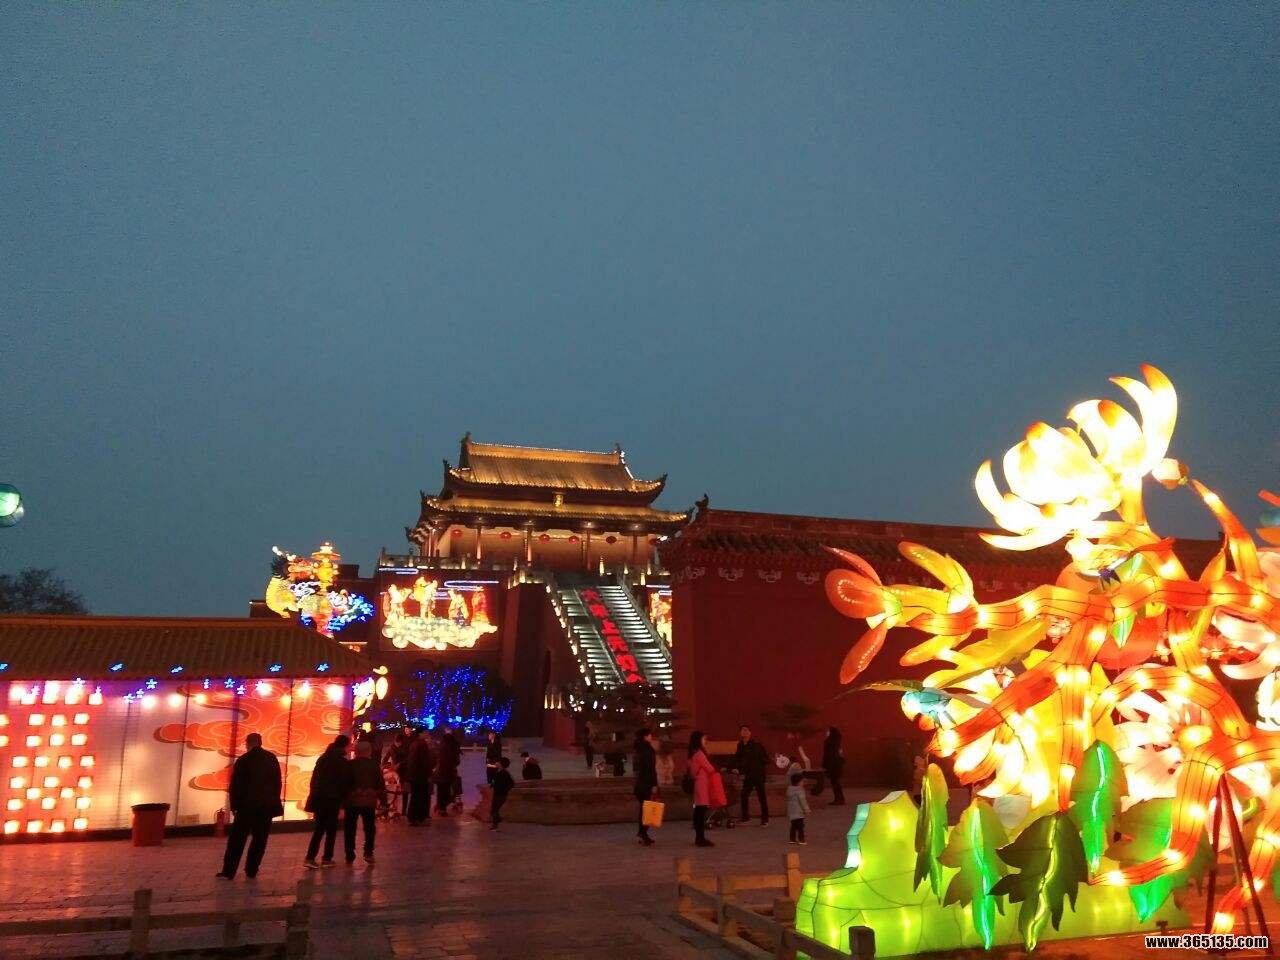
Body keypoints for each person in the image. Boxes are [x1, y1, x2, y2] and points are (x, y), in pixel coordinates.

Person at [217, 732, 283, 880]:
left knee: (237, 840)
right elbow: (277, 783)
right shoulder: (271, 759)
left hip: (246, 807)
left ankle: (229, 871)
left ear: (248, 743)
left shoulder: (244, 760)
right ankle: (252, 869)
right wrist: (273, 802)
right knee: (259, 839)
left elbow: (236, 785)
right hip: (265, 807)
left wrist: (234, 805)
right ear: (260, 742)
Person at [303, 735, 350, 868]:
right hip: (332, 800)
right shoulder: (341, 762)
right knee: (331, 830)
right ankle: (327, 858)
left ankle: (310, 858)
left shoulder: (323, 759)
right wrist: (343, 802)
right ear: (344, 746)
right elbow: (343, 783)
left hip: (319, 799)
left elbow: (314, 780)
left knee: (319, 829)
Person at [343, 741, 384, 865]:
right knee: (369, 828)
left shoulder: (349, 765)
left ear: (356, 751)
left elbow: (344, 784)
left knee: (350, 828)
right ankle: (368, 852)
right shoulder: (374, 765)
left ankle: (349, 854)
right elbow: (380, 784)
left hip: (352, 801)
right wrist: (382, 800)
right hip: (368, 801)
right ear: (369, 751)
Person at [732, 725, 770, 826]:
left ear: (750, 733)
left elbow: (761, 759)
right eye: (742, 730)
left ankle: (765, 819)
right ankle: (745, 817)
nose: (744, 732)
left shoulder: (756, 745)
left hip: (758, 774)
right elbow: (737, 758)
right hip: (749, 775)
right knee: (744, 794)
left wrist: (741, 768)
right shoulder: (740, 745)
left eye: (746, 730)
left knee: (761, 796)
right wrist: (730, 767)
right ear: (740, 733)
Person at [687, 730, 719, 848]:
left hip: (698, 784)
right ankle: (700, 838)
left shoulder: (692, 753)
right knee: (700, 812)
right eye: (704, 739)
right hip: (702, 786)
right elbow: (710, 768)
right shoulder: (699, 754)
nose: (705, 741)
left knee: (698, 812)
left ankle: (699, 837)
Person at [633, 728, 660, 846]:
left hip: (640, 783)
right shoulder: (647, 750)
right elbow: (651, 769)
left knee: (644, 810)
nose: (651, 737)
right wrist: (654, 784)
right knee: (647, 811)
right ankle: (643, 834)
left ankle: (642, 833)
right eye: (649, 735)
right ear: (645, 736)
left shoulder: (638, 749)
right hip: (646, 784)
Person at [405, 729, 435, 825]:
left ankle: (412, 817)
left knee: (415, 796)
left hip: (413, 775)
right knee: (421, 797)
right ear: (420, 734)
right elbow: (424, 761)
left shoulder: (413, 744)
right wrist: (429, 774)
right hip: (420, 775)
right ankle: (419, 818)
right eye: (425, 732)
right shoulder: (422, 744)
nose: (427, 734)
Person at [434, 726, 461, 816]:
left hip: (440, 773)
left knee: (441, 791)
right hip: (448, 773)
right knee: (447, 791)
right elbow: (457, 761)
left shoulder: (440, 746)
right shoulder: (453, 747)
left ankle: (441, 807)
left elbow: (436, 758)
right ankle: (442, 807)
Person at [821, 726, 846, 805]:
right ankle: (840, 798)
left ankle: (838, 799)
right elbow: (839, 753)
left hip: (832, 765)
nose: (827, 733)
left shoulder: (829, 742)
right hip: (837, 765)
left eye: (828, 731)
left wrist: (825, 764)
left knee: (835, 783)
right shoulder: (837, 742)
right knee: (836, 782)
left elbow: (827, 755)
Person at [489, 756, 515, 830]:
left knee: (495, 810)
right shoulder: (498, 771)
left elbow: (511, 783)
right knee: (494, 810)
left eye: (498, 762)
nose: (496, 763)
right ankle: (497, 821)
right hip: (497, 793)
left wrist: (504, 789)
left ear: (501, 764)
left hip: (501, 794)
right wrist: (492, 785)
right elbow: (495, 781)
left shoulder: (504, 773)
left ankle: (495, 824)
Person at [787, 772, 811, 845]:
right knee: (800, 827)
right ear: (799, 782)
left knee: (793, 826)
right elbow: (803, 801)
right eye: (802, 781)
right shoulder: (800, 790)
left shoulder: (789, 790)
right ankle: (801, 840)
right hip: (799, 812)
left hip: (792, 812)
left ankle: (792, 839)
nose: (803, 783)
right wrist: (807, 810)